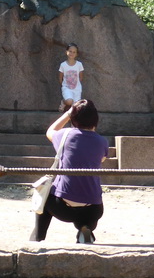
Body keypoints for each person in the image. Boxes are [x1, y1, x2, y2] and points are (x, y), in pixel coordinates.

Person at [31, 99, 108, 244]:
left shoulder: (64, 135)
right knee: (89, 215)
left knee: (44, 192)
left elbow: (50, 131)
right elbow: (101, 160)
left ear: (73, 118)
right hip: (92, 208)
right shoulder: (102, 142)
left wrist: (67, 113)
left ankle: (38, 236)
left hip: (62, 207)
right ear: (95, 119)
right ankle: (85, 229)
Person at [58, 43, 84, 111]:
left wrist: (75, 85)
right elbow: (60, 78)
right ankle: (63, 102)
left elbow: (81, 77)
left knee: (76, 107)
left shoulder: (79, 64)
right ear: (66, 52)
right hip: (67, 88)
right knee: (69, 101)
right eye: (70, 51)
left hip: (77, 89)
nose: (72, 53)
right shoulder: (63, 65)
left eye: (74, 52)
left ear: (76, 54)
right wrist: (64, 86)